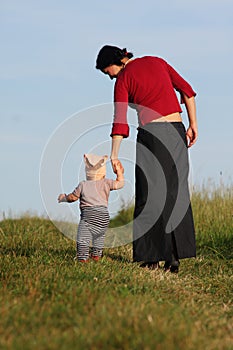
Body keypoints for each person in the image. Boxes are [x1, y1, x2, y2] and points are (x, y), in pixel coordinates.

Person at [96, 45, 198, 273]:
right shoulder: (157, 61)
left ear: (117, 62)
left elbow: (120, 120)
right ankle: (174, 258)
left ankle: (152, 257)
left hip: (152, 135)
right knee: (175, 191)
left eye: (107, 71)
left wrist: (114, 154)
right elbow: (188, 92)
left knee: (149, 193)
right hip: (177, 131)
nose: (109, 76)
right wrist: (193, 125)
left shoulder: (123, 79)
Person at [58, 153, 124, 262]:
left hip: (89, 215)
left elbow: (73, 198)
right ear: (103, 174)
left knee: (83, 238)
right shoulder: (106, 183)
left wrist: (64, 198)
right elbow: (120, 184)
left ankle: (83, 259)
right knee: (99, 236)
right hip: (103, 216)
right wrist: (119, 173)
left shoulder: (83, 185)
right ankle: (96, 256)